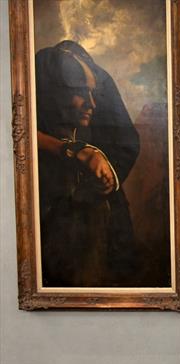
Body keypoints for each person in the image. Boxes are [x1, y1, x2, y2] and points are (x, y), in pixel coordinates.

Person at [34, 40, 140, 287]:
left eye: (92, 93)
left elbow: (126, 141)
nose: (92, 104)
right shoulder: (37, 78)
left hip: (98, 210)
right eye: (80, 92)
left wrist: (105, 175)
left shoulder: (99, 79)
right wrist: (74, 152)